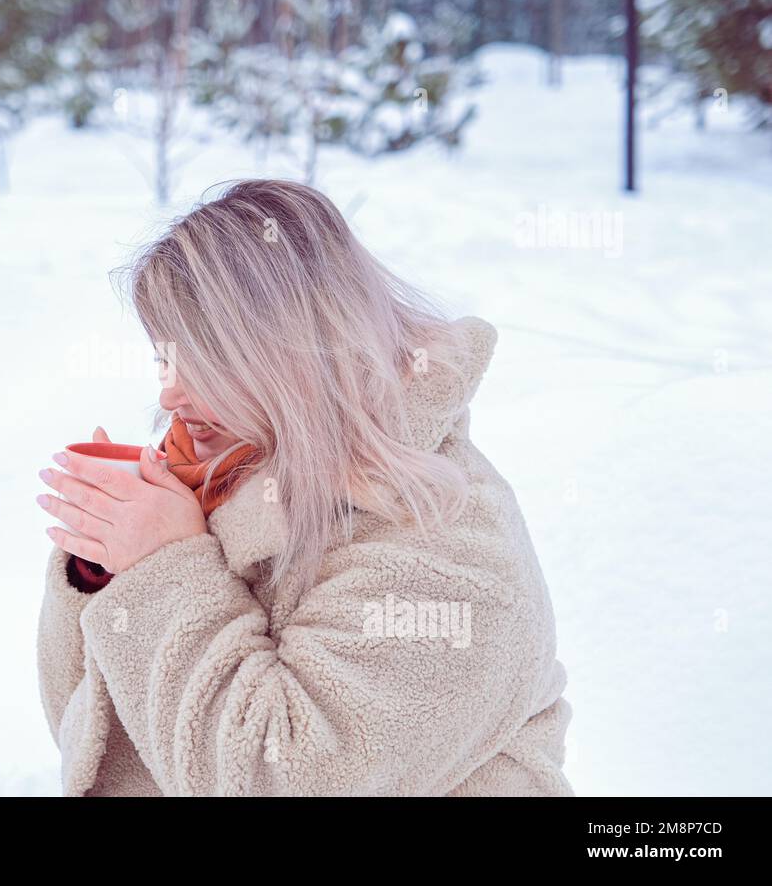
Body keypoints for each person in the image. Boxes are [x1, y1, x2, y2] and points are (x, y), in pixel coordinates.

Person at [35, 179, 573, 796]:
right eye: (165, 360)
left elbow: (283, 778)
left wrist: (163, 564)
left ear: (290, 354)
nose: (168, 396)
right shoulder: (227, 476)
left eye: (203, 362)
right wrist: (107, 561)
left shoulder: (451, 547)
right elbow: (93, 745)